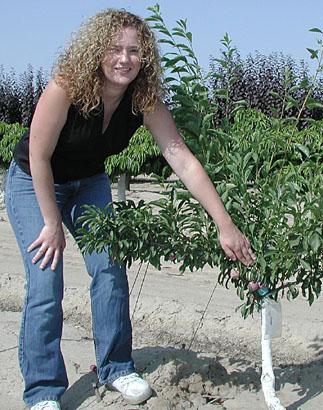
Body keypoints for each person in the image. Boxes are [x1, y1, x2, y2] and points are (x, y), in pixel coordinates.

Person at [5, 9, 256, 410]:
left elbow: (182, 159)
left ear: (146, 57)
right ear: (97, 51)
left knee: (109, 266)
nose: (125, 59)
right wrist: (52, 222)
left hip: (89, 182)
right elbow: (38, 155)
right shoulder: (65, 86)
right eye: (115, 49)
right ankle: (43, 392)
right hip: (35, 180)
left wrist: (225, 225)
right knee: (45, 279)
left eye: (135, 51)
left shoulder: (143, 98)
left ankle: (117, 366)